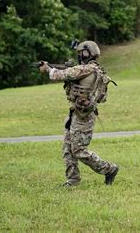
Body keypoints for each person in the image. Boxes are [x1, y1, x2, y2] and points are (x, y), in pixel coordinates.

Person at [39, 40, 119, 187]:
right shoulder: (89, 69)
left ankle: (109, 169)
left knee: (79, 150)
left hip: (84, 116)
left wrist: (48, 69)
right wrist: (51, 67)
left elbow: (60, 75)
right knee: (67, 148)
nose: (80, 55)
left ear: (89, 53)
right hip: (75, 113)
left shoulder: (87, 69)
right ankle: (73, 180)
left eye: (82, 52)